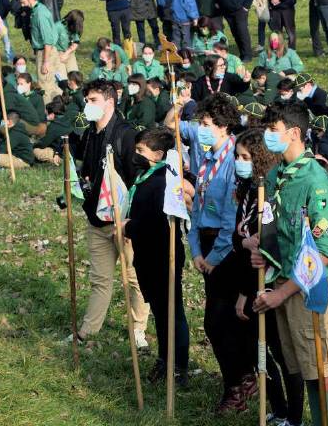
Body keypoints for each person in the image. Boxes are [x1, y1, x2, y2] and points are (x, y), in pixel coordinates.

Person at [249, 101, 328, 425]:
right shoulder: (278, 174)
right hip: (282, 284)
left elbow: (323, 251)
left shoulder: (315, 179)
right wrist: (263, 252)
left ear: (294, 133)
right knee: (306, 370)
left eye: (272, 131)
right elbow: (277, 229)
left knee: (325, 370)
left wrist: (283, 292)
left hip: (308, 291)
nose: (267, 136)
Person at [168, 93, 245, 409]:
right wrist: (197, 249)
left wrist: (213, 258)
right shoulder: (205, 157)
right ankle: (236, 380)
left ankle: (240, 382)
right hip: (208, 245)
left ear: (224, 127)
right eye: (199, 123)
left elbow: (231, 215)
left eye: (206, 124)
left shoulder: (233, 161)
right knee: (216, 322)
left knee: (220, 320)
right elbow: (197, 206)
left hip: (228, 251)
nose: (200, 129)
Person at [232, 129, 306, 419]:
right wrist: (244, 242)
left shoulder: (270, 193)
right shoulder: (249, 190)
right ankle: (277, 406)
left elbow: (273, 244)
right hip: (249, 279)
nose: (241, 161)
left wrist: (258, 243)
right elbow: (238, 237)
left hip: (273, 281)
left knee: (283, 352)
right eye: (238, 156)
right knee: (258, 349)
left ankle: (295, 415)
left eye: (246, 157)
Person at [70, 79, 149, 348]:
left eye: (93, 101)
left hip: (123, 222)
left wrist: (131, 219)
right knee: (99, 280)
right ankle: (87, 332)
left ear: (110, 102)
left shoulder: (126, 135)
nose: (87, 106)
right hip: (97, 221)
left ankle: (138, 328)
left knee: (134, 278)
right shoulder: (90, 132)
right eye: (86, 100)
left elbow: (140, 177)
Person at [123, 127, 190, 386]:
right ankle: (164, 359)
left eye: (141, 150)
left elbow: (154, 223)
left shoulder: (164, 181)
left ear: (159, 154)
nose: (136, 154)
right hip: (146, 257)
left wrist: (128, 226)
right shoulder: (146, 177)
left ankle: (178, 367)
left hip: (164, 256)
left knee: (173, 312)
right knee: (161, 314)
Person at [19, 0, 62, 104]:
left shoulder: (40, 14)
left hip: (45, 52)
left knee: (45, 86)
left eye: (23, 2)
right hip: (47, 51)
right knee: (52, 84)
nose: (22, 5)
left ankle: (47, 113)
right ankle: (59, 109)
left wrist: (45, 62)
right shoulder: (38, 9)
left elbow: (47, 40)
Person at [56, 9, 84, 75]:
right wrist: (60, 56)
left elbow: (76, 42)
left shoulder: (74, 27)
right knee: (62, 79)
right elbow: (50, 44)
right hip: (57, 54)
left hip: (69, 52)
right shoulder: (58, 27)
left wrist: (67, 53)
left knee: (75, 75)